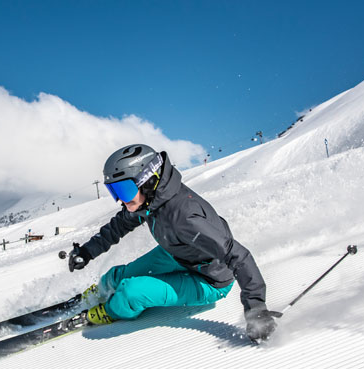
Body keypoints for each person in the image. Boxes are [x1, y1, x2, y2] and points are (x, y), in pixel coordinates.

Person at [68, 143, 276, 343]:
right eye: (115, 191)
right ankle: (99, 293)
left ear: (148, 180)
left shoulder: (186, 218)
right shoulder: (149, 201)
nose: (121, 200)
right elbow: (119, 225)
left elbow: (238, 255)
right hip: (179, 253)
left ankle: (109, 310)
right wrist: (86, 252)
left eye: (124, 190)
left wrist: (256, 310)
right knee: (117, 276)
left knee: (131, 292)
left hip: (210, 280)